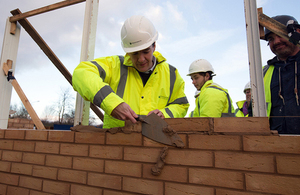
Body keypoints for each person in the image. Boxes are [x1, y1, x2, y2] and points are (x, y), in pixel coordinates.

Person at [72, 15, 189, 128]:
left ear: (154, 46)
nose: (141, 59)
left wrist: (165, 113)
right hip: (117, 142)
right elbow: (81, 73)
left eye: (145, 51)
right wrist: (112, 103)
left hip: (156, 143)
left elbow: (181, 105)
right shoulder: (115, 65)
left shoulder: (171, 74)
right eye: (135, 53)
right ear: (127, 52)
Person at [263, 15, 300, 134]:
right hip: (277, 145)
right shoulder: (265, 72)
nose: (276, 41)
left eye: (280, 34)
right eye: (271, 39)